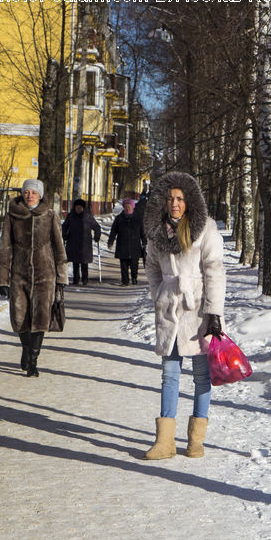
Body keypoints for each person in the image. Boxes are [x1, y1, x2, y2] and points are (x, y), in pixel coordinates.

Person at [142, 171, 225, 460]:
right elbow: (151, 267)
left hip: (198, 309)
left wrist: (214, 312)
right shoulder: (156, 231)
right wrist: (160, 293)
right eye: (170, 198)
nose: (174, 203)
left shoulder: (205, 228)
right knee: (169, 373)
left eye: (179, 198)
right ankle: (164, 442)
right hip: (169, 310)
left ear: (188, 201)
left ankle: (195, 441)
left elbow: (215, 270)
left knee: (202, 375)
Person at [0, 179, 68, 377]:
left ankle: (33, 361)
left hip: (45, 275)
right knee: (21, 317)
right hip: (19, 274)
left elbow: (58, 247)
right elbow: (5, 248)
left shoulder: (50, 215)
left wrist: (62, 276)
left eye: (33, 192)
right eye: (26, 192)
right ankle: (26, 348)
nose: (29, 195)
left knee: (40, 318)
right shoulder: (13, 216)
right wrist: (2, 279)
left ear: (40, 195)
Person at [107, 198, 146, 285]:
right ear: (123, 207)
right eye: (126, 206)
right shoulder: (119, 218)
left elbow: (142, 231)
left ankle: (134, 278)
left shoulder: (138, 218)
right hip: (122, 245)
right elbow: (113, 231)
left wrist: (144, 242)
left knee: (134, 265)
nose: (128, 208)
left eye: (129, 206)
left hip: (135, 245)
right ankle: (125, 281)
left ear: (133, 207)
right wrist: (110, 242)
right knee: (123, 265)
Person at [62, 198, 101, 285]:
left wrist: (97, 236)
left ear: (83, 208)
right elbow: (64, 226)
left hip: (85, 243)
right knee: (75, 262)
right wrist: (64, 234)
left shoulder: (88, 216)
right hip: (73, 242)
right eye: (77, 207)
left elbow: (96, 227)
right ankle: (76, 279)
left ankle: (85, 279)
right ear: (74, 208)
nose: (78, 209)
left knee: (84, 262)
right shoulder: (70, 216)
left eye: (80, 208)